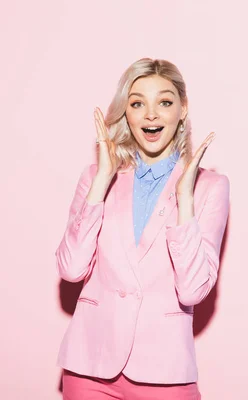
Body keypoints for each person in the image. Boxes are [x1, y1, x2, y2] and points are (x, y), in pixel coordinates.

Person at [56, 58, 229, 400]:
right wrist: (103, 177)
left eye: (164, 102)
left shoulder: (210, 187)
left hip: (166, 372)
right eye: (137, 103)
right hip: (89, 366)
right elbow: (72, 269)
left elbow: (194, 291)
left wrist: (184, 199)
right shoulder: (95, 178)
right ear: (127, 113)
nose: (151, 115)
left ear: (183, 109)